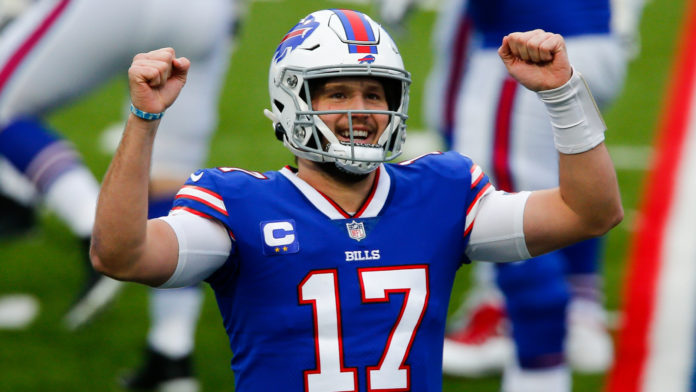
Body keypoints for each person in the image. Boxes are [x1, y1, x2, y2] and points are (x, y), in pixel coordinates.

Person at [90, 8, 622, 391]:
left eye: (375, 94)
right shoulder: (239, 205)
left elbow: (590, 212)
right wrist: (144, 120)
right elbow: (121, 254)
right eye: (338, 93)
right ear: (292, 102)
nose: (361, 110)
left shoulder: (440, 193)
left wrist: (563, 92)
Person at [0, 0, 237, 390]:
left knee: (5, 104)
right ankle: (171, 354)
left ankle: (93, 224)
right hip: (210, 11)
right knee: (169, 175)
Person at [421, 0, 643, 388]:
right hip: (591, 35)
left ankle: (535, 356)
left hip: (527, 48)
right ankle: (581, 313)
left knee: (502, 207)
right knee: (565, 188)